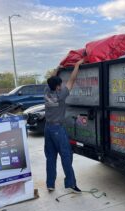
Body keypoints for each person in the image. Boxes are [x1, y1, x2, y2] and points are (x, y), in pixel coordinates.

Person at [44, 59, 84, 193]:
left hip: (47, 128)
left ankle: (50, 184)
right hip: (57, 129)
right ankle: (71, 184)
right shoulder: (60, 95)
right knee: (66, 156)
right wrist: (77, 66)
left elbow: (51, 80)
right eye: (59, 84)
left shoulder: (46, 91)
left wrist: (57, 69)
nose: (61, 86)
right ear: (57, 87)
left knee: (50, 156)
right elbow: (71, 81)